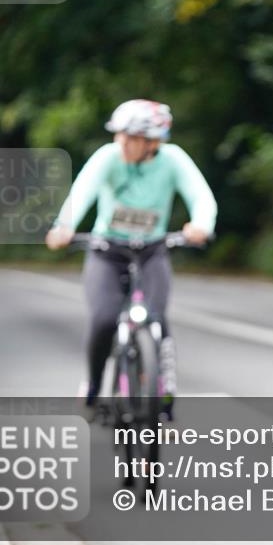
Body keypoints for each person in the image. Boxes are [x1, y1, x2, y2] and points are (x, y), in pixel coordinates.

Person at [45, 100, 217, 420]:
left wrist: (201, 225)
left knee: (157, 317)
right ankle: (94, 385)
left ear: (153, 142)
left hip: (152, 250)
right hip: (107, 252)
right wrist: (64, 226)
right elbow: (82, 191)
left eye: (131, 137)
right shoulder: (108, 157)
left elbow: (200, 196)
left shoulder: (173, 160)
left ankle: (163, 389)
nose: (121, 142)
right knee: (103, 319)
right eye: (120, 135)